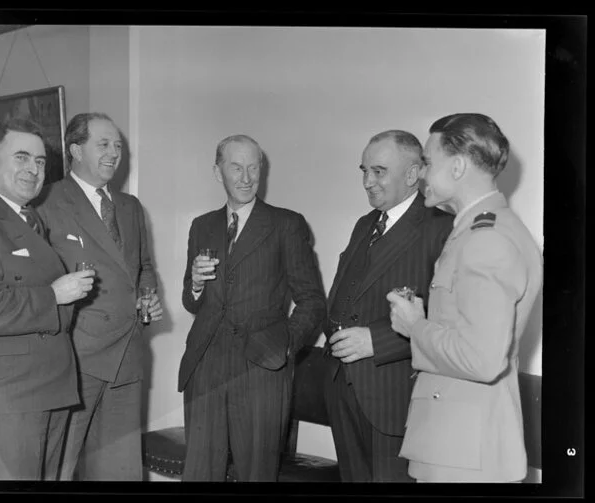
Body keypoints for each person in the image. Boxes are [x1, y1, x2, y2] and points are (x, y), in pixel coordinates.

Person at [387, 113, 543, 482]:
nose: (421, 173)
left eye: (427, 161)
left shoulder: (485, 239)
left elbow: (482, 359)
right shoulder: (479, 230)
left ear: (457, 166)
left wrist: (416, 326)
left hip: (462, 455)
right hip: (457, 443)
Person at [179, 134, 326, 481]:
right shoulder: (202, 226)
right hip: (205, 366)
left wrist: (284, 344)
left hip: (261, 368)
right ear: (218, 172)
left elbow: (313, 301)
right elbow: (190, 299)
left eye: (254, 168)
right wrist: (196, 285)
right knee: (200, 474)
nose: (246, 178)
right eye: (236, 167)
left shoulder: (286, 224)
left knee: (256, 475)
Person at [35, 112, 163, 481]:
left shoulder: (130, 207)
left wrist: (147, 296)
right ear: (75, 149)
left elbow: (144, 267)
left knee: (119, 472)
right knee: (61, 467)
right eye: (103, 145)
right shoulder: (47, 202)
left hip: (128, 353)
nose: (113, 154)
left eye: (118, 146)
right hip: (76, 357)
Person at [324, 130, 454, 482]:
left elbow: (446, 319)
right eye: (364, 170)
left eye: (379, 171)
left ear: (412, 175)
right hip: (344, 391)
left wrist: (375, 341)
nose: (367, 181)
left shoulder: (442, 229)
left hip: (394, 399)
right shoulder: (365, 225)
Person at [0, 118, 95, 480]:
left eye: (40, 162)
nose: (33, 169)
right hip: (7, 395)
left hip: (48, 388)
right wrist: (53, 295)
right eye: (21, 158)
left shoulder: (30, 219)